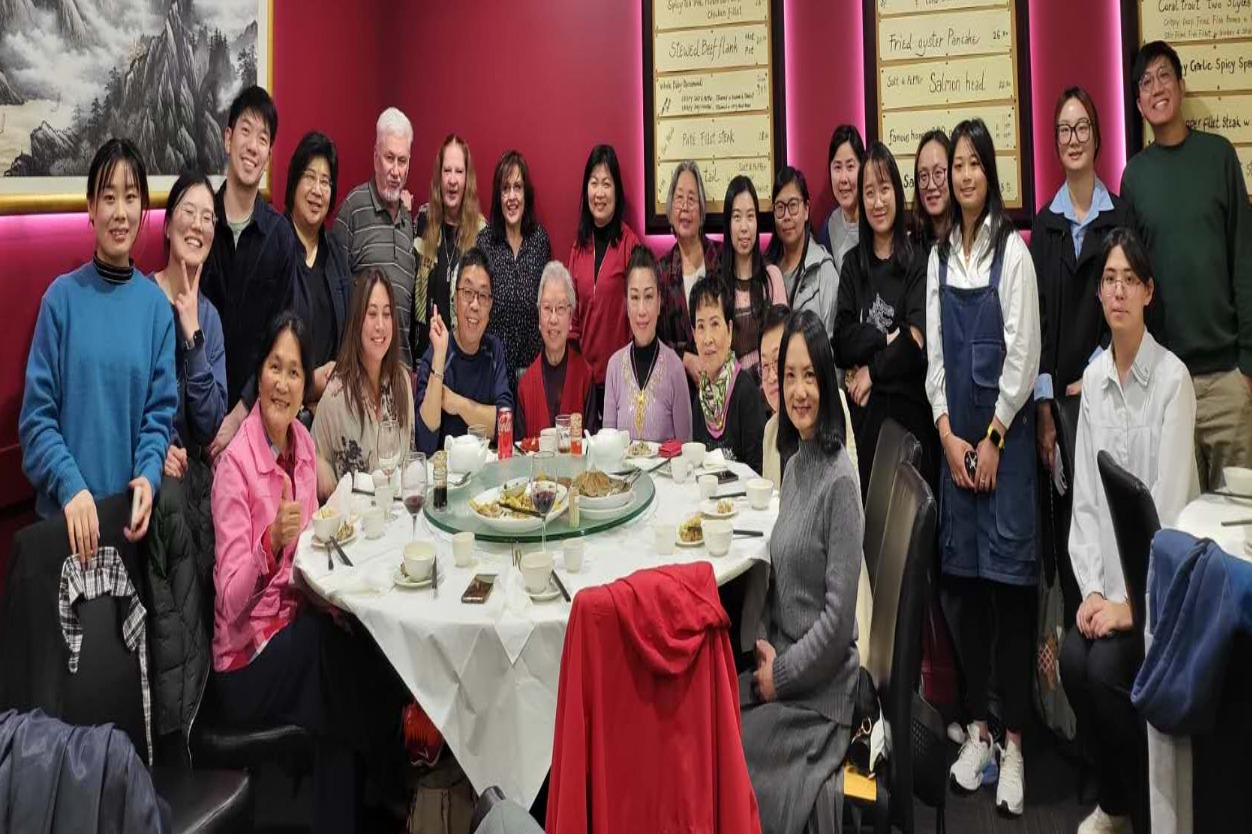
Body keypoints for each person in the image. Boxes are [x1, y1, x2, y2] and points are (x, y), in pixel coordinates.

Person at [211, 312, 407, 834]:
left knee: (356, 644)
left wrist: (332, 605)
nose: (283, 383)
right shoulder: (235, 467)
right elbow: (229, 601)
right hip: (246, 660)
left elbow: (311, 558)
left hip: (296, 633)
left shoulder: (301, 444)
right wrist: (269, 544)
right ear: (259, 374)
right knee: (331, 659)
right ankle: (396, 775)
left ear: (305, 386)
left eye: (294, 371)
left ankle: (378, 791)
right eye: (274, 367)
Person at [1062, 227, 1198, 834]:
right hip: (1110, 589)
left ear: (1148, 292)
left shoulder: (1172, 381)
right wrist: (1093, 591)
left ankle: (1147, 810)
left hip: (1160, 595)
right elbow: (1087, 505)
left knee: (1103, 670)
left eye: (1129, 281)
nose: (1117, 292)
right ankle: (1118, 803)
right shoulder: (1093, 380)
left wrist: (1128, 607)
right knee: (1073, 661)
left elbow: (1168, 510)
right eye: (1109, 280)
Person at [925, 118, 1041, 817]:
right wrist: (948, 437)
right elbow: (937, 361)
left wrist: (992, 437)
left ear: (989, 173)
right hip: (957, 452)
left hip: (1006, 450)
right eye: (957, 165)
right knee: (966, 593)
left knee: (1012, 599)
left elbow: (1024, 356)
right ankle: (980, 732)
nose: (964, 176)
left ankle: (1016, 742)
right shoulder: (940, 258)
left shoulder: (1014, 253)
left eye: (973, 164)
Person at [19, 138, 177, 558]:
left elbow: (158, 419)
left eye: (131, 197)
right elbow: (36, 422)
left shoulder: (156, 310)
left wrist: (148, 477)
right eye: (108, 197)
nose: (120, 212)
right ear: (90, 207)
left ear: (143, 208)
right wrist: (71, 487)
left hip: (127, 527)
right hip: (65, 528)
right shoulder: (60, 301)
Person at [740, 309, 863, 834]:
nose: (798, 391)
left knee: (730, 753)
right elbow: (779, 580)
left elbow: (837, 626)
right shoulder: (794, 465)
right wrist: (764, 643)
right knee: (708, 717)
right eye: (788, 376)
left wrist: (781, 675)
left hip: (822, 697)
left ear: (827, 382)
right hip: (788, 667)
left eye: (810, 375)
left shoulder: (840, 482)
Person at [1121, 40, 1252, 492]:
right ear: (1139, 103)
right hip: (1166, 380)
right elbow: (1132, 281)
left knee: (1239, 516)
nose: (1157, 88)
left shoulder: (1220, 157)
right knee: (1177, 516)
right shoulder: (1135, 177)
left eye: (1164, 76)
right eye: (1146, 82)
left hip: (1227, 380)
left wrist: (1247, 365)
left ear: (1180, 85)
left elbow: (1244, 260)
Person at [1030, 86, 1133, 617]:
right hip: (1060, 411)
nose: (1073, 139)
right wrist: (1045, 409)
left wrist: (1094, 370)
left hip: (1110, 393)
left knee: (1113, 524)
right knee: (1071, 526)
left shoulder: (1119, 218)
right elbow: (1038, 322)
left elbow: (1128, 303)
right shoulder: (1044, 226)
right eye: (1064, 130)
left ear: (1097, 137)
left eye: (1082, 128)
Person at [202, 86, 301, 458]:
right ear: (228, 138)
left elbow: (280, 338)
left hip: (257, 421)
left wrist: (241, 413)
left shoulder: (280, 237)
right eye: (245, 131)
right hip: (196, 421)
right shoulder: (199, 224)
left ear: (269, 155)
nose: (252, 146)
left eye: (263, 139)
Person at [834, 142, 938, 495]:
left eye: (884, 189)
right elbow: (841, 342)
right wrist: (887, 337)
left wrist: (872, 371)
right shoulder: (853, 265)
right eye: (869, 193)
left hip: (910, 428)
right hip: (864, 430)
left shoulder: (918, 261)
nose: (878, 202)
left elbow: (916, 345)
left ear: (897, 191)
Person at [151, 170, 227, 477]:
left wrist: (194, 335)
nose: (197, 225)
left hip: (191, 477)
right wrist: (159, 446)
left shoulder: (210, 318)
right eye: (189, 212)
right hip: (146, 468)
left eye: (207, 217)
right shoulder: (143, 301)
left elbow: (209, 427)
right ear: (167, 226)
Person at [312, 272, 414, 499]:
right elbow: (310, 459)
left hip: (397, 513)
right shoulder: (336, 395)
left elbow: (409, 463)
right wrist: (319, 467)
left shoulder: (401, 382)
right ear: (357, 321)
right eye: (372, 314)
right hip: (351, 518)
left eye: (387, 314)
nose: (380, 325)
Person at [332, 107, 418, 367]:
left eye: (402, 161)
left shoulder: (408, 223)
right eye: (389, 158)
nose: (396, 170)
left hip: (400, 374)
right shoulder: (352, 210)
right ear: (375, 157)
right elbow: (334, 301)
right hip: (358, 372)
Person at [414, 247, 512, 455]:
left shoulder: (494, 350)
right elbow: (425, 443)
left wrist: (456, 403)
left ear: (490, 304)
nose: (475, 305)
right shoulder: (436, 352)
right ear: (455, 298)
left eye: (483, 295)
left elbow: (504, 425)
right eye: (467, 292)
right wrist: (439, 359)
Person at [568, 144, 643, 406]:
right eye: (594, 183)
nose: (599, 193)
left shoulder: (630, 246)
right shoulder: (578, 248)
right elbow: (572, 321)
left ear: (617, 191)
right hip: (585, 384)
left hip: (624, 383)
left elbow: (639, 319)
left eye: (606, 184)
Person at [477, 150, 553, 392]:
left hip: (533, 375)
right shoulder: (484, 243)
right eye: (505, 188)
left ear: (526, 194)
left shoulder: (540, 242)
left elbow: (548, 304)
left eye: (517, 187)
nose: (511, 197)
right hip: (492, 373)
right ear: (498, 196)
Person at [287, 131, 352, 409]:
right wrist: (308, 383)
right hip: (283, 406)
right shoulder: (275, 246)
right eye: (310, 177)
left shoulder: (336, 253)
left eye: (325, 182)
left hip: (330, 409)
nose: (317, 190)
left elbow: (350, 331)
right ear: (294, 181)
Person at [603, 246, 692, 442]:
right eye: (635, 298)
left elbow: (686, 449)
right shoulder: (614, 367)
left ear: (659, 302)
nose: (641, 310)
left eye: (649, 296)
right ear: (626, 304)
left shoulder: (675, 368)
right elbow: (607, 447)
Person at [414, 134, 486, 360]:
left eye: (459, 171)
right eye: (447, 171)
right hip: (423, 358)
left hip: (462, 361)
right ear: (439, 176)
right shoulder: (422, 221)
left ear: (467, 179)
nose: (452, 180)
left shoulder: (481, 232)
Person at [688, 276, 766, 473]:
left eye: (715, 324)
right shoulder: (699, 401)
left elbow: (758, 473)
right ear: (694, 336)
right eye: (701, 327)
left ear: (729, 331)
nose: (707, 339)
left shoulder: (746, 393)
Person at [515, 261, 598, 439]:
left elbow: (592, 446)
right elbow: (519, 451)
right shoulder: (525, 386)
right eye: (547, 308)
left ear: (570, 317)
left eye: (560, 309)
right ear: (539, 316)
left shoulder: (585, 376)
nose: (553, 319)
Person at [656, 161, 721, 381]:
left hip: (722, 381)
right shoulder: (661, 271)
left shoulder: (720, 258)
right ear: (670, 209)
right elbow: (656, 338)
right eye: (679, 198)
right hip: (678, 385)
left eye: (691, 199)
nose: (684, 207)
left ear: (701, 209)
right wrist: (685, 359)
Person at [719, 176, 785, 372]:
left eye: (750, 216)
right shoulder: (718, 287)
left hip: (770, 386)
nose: (744, 227)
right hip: (733, 388)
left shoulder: (772, 278)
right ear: (728, 224)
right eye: (736, 217)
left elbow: (782, 345)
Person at [765, 166, 838, 338]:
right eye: (780, 207)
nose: (787, 216)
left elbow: (832, 344)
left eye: (793, 205)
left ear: (806, 210)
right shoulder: (768, 272)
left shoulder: (824, 271)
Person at [816, 124, 865, 273]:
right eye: (837, 167)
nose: (843, 178)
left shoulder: (877, 219)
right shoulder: (829, 226)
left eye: (850, 167)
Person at [759, 304, 792, 487]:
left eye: (778, 361)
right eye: (765, 365)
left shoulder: (832, 405)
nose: (771, 376)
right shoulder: (770, 431)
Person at [912, 130, 953, 252]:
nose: (931, 186)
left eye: (938, 173)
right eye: (924, 176)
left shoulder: (967, 242)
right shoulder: (910, 251)